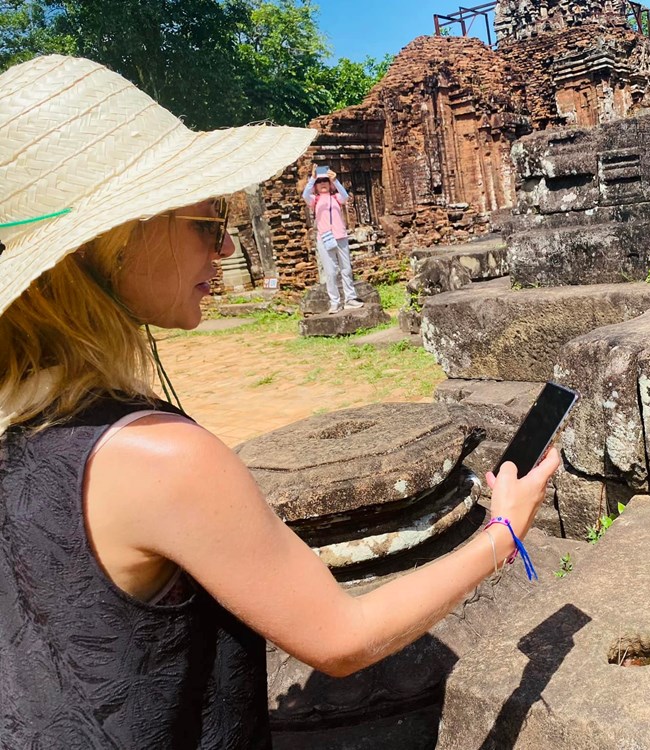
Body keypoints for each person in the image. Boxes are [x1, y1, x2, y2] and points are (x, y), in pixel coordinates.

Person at [0, 55, 560, 748]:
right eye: (208, 221)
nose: (229, 245)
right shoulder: (156, 457)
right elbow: (342, 638)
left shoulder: (22, 423)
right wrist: (502, 532)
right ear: (115, 240)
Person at [302, 165, 363, 313]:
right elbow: (305, 195)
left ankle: (350, 298)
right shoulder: (314, 200)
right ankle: (334, 301)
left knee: (346, 268)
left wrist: (335, 180)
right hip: (324, 238)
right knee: (330, 272)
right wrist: (313, 178)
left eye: (325, 181)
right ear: (316, 186)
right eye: (320, 182)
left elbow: (345, 196)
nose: (323, 183)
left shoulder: (336, 197)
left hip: (340, 236)